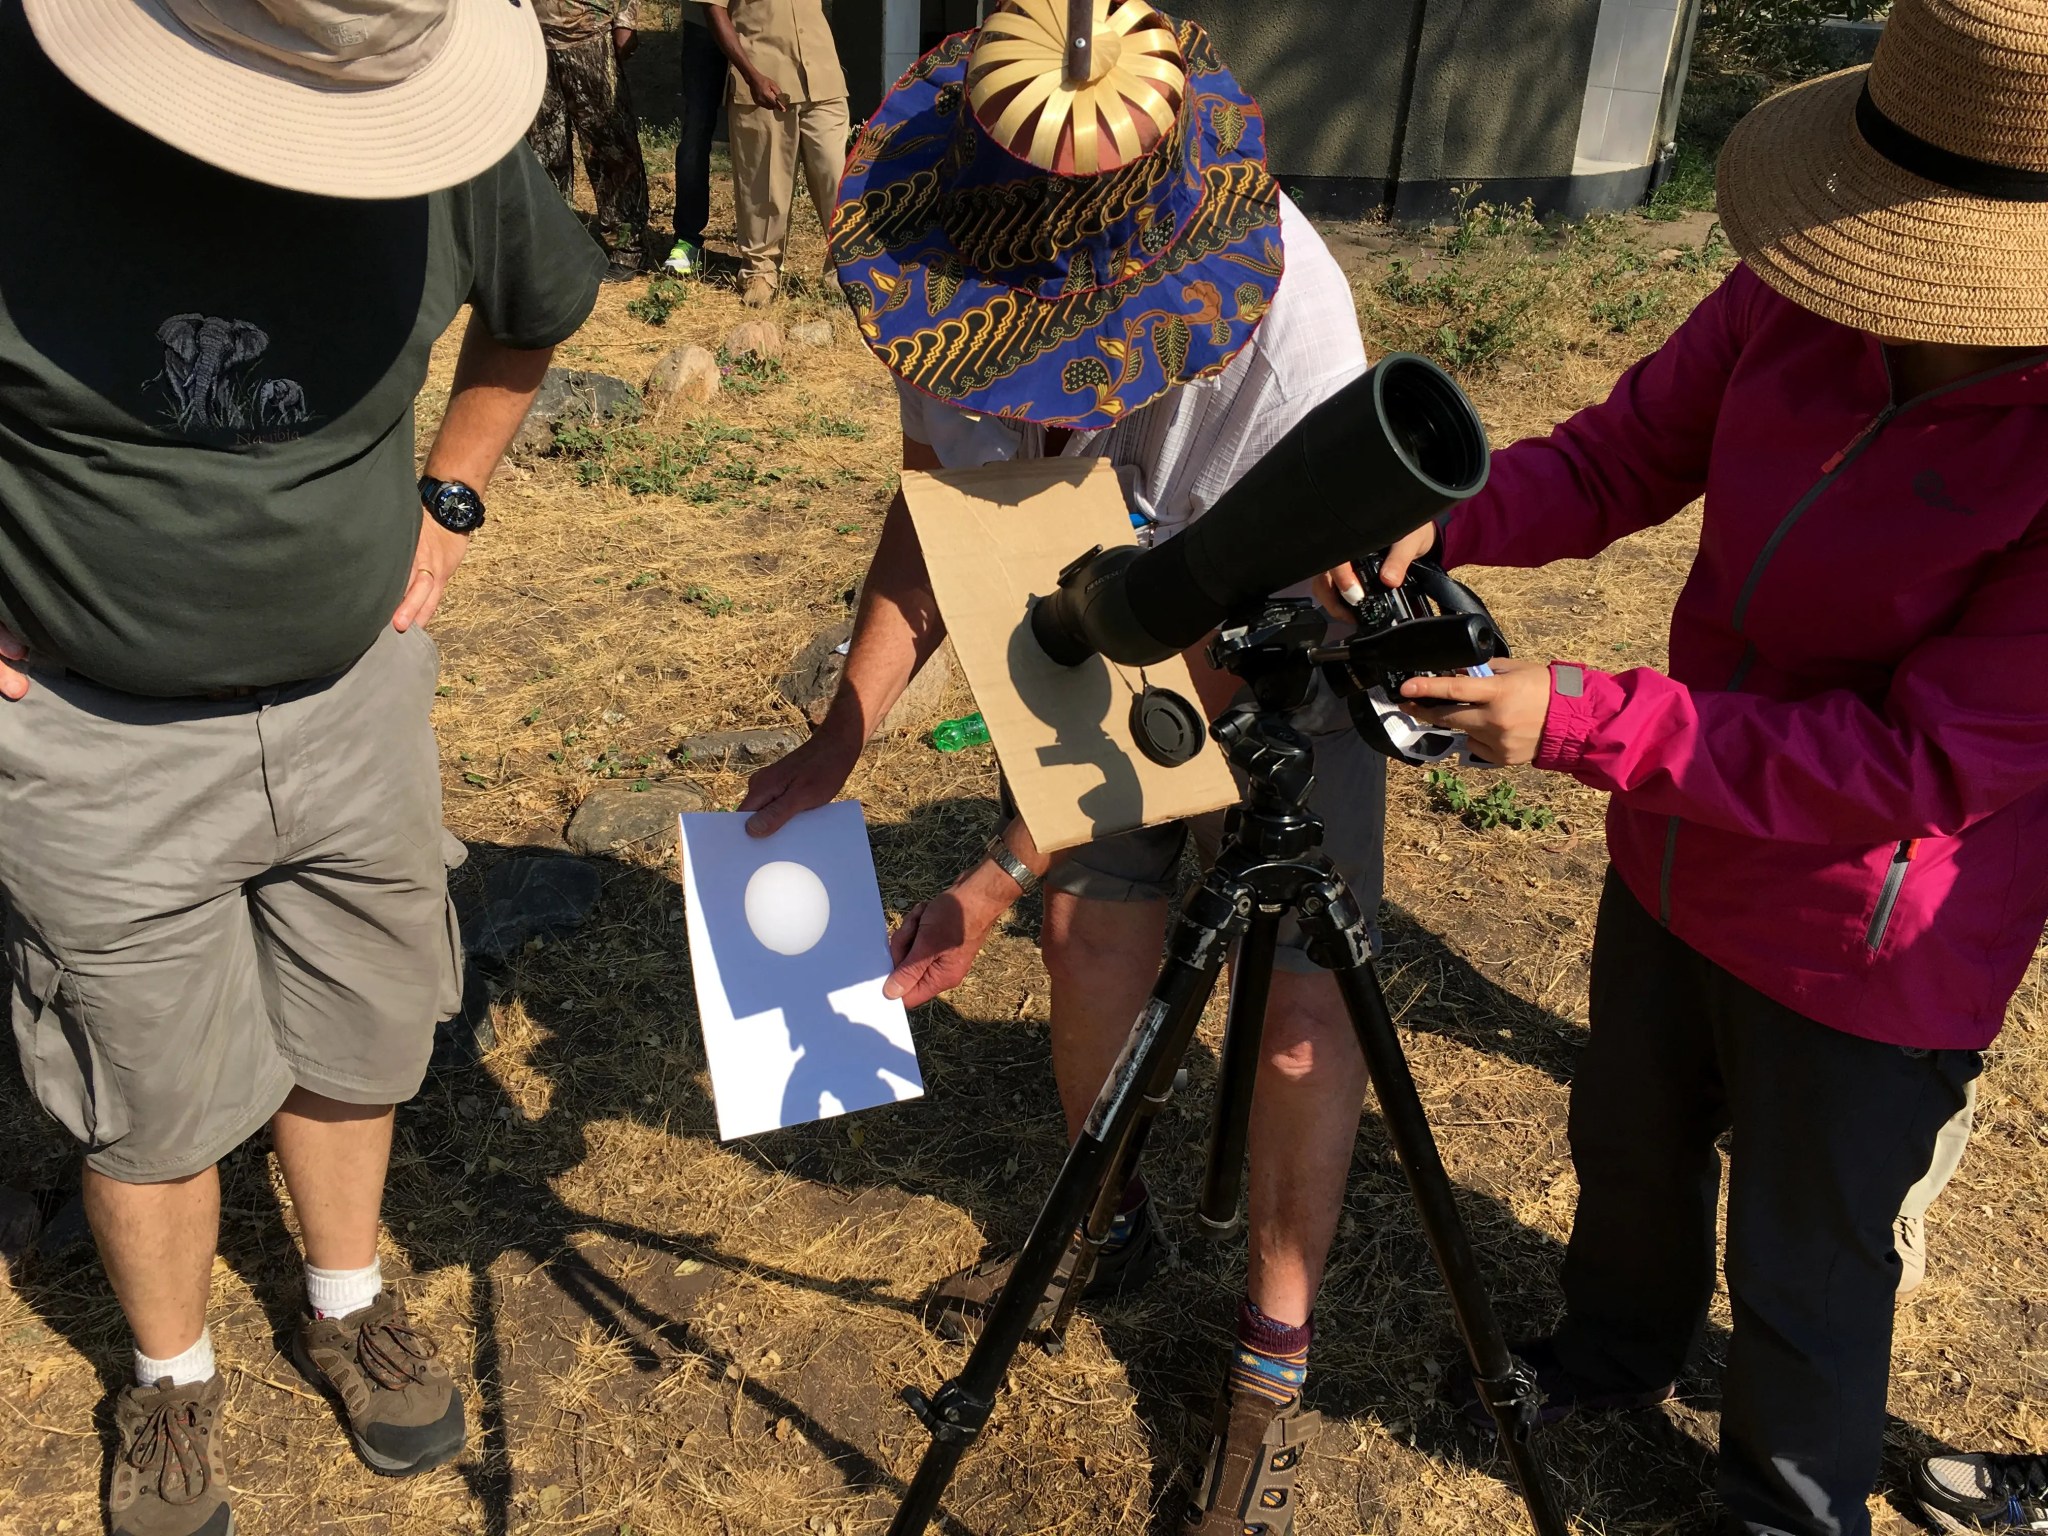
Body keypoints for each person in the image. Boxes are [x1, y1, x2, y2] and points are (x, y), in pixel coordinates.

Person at [1373, 1, 2048, 1531]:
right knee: (1630, 1137)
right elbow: (1621, 455)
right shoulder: (1792, 302)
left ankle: (1779, 1506)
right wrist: (1442, 511)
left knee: (1814, 1253)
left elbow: (1921, 762)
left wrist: (1588, 721)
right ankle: (1614, 1353)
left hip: (1875, 939)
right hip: (1683, 849)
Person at [740, 4, 1379, 1528]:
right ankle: (1110, 1219)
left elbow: (1237, 631)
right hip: (1091, 599)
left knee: (1299, 1005)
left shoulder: (1288, 310)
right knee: (1088, 933)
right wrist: (849, 724)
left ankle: (1268, 1369)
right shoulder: (939, 265)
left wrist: (997, 850)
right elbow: (941, 505)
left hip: (1289, 615)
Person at [0, 4, 604, 1534]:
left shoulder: (428, 106)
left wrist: (449, 496)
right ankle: (169, 1376)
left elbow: (536, 308)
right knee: (143, 1092)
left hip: (355, 702)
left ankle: (346, 1299)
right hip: (86, 735)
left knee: (358, 1022)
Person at [700, 0, 849, 307]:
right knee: (764, 184)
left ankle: (845, 269)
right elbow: (714, 10)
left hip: (823, 76)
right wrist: (751, 74)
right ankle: (760, 271)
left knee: (838, 177)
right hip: (764, 80)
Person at [528, 0, 653, 280]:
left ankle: (628, 249)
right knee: (543, 152)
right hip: (532, 39)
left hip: (591, 37)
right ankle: (551, 247)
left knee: (611, 149)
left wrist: (625, 21)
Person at [663, 5, 728, 277]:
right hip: (704, 21)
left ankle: (765, 248)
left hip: (762, 27)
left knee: (765, 133)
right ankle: (688, 238)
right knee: (696, 132)